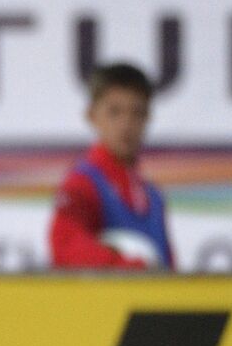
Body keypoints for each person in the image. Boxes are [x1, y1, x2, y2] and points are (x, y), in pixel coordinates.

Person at [49, 62, 174, 269]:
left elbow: (168, 267)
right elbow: (65, 244)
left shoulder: (153, 195)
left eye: (137, 112)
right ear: (92, 116)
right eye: (114, 112)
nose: (126, 124)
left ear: (148, 117)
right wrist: (128, 268)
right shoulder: (82, 183)